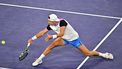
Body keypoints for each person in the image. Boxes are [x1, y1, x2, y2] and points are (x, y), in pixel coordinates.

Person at [28, 14, 113, 67]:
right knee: (51, 46)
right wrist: (32, 38)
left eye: (49, 21)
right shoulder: (51, 25)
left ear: (53, 21)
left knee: (88, 54)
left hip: (74, 39)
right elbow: (42, 32)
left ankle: (103, 54)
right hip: (64, 39)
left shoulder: (62, 22)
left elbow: (61, 33)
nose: (48, 21)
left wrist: (52, 37)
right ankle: (39, 59)